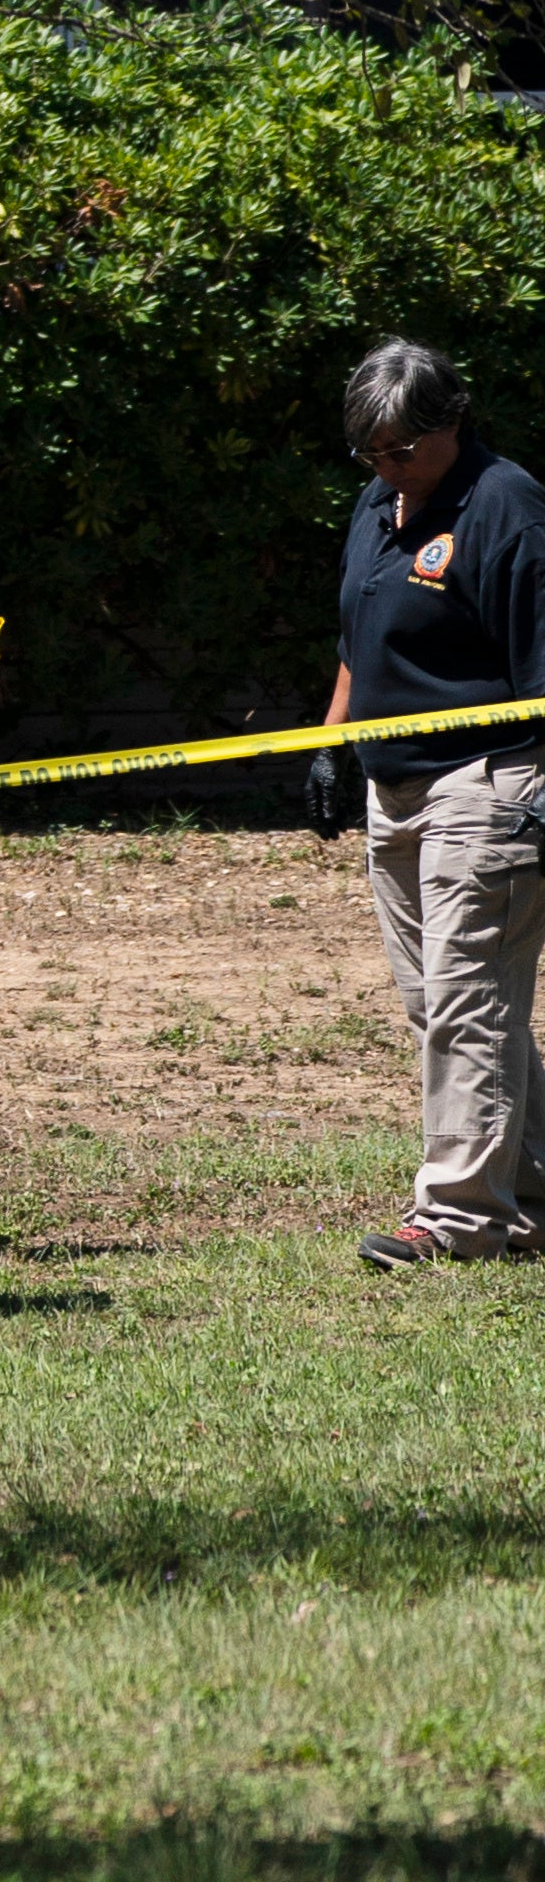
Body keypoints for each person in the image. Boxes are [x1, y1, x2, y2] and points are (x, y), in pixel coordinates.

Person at [308, 339, 545, 1269]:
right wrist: (334, 741)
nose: (385, 467)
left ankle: (457, 1216)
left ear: (451, 422)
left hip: (485, 783)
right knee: (438, 1001)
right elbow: (358, 633)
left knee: (466, 1000)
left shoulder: (507, 507)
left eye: (401, 449)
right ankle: (528, 1191)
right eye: (369, 452)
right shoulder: (380, 501)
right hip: (391, 783)